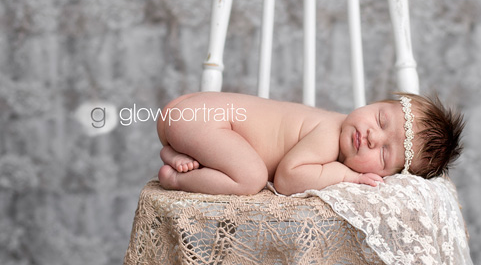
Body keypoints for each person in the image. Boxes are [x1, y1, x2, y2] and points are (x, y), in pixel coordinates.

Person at [156, 91, 463, 196]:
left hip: (190, 113)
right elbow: (289, 178)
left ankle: (178, 149)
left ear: (388, 176)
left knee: (237, 159)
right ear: (376, 103)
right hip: (203, 119)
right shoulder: (329, 134)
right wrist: (350, 176)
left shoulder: (334, 123)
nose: (372, 136)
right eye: (381, 120)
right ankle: (178, 180)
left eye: (384, 153)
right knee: (251, 177)